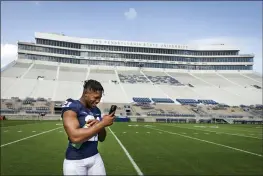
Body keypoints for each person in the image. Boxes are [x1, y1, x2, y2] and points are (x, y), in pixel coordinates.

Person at [61, 79, 115, 175]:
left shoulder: (96, 110)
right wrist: (102, 123)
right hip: (75, 161)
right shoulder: (72, 106)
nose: (98, 101)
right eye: (96, 97)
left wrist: (100, 125)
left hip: (95, 157)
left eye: (100, 98)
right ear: (86, 93)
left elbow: (102, 138)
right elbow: (74, 137)